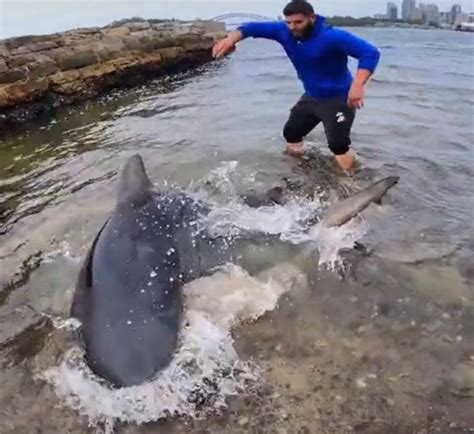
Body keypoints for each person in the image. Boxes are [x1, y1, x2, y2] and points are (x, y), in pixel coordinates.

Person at [212, 0, 381, 173]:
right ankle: (300, 170)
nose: (293, 27)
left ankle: (351, 181)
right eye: (289, 22)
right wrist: (230, 40)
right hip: (311, 96)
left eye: (298, 22)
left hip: (338, 98)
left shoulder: (332, 37)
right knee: (291, 133)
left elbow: (370, 53)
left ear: (312, 18)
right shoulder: (283, 31)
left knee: (338, 145)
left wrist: (358, 85)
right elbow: (250, 28)